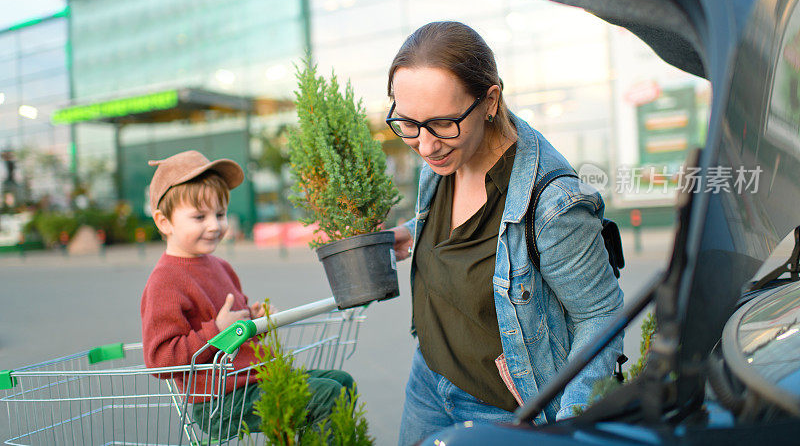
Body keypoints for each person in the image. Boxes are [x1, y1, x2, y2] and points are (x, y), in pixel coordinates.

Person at [386, 22, 624, 444]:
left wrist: (568, 427)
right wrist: (412, 230)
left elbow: (600, 315)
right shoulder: (444, 155)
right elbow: (464, 232)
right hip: (428, 379)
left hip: (501, 412)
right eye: (408, 123)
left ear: (490, 100)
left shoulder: (552, 203)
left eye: (442, 123)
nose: (424, 146)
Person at [140, 150, 354, 438]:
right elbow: (160, 360)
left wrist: (253, 322)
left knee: (342, 382)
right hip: (220, 401)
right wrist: (218, 330)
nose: (215, 225)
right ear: (164, 222)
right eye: (199, 216)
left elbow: (236, 333)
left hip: (252, 381)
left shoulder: (221, 266)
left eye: (220, 214)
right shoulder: (165, 281)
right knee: (326, 396)